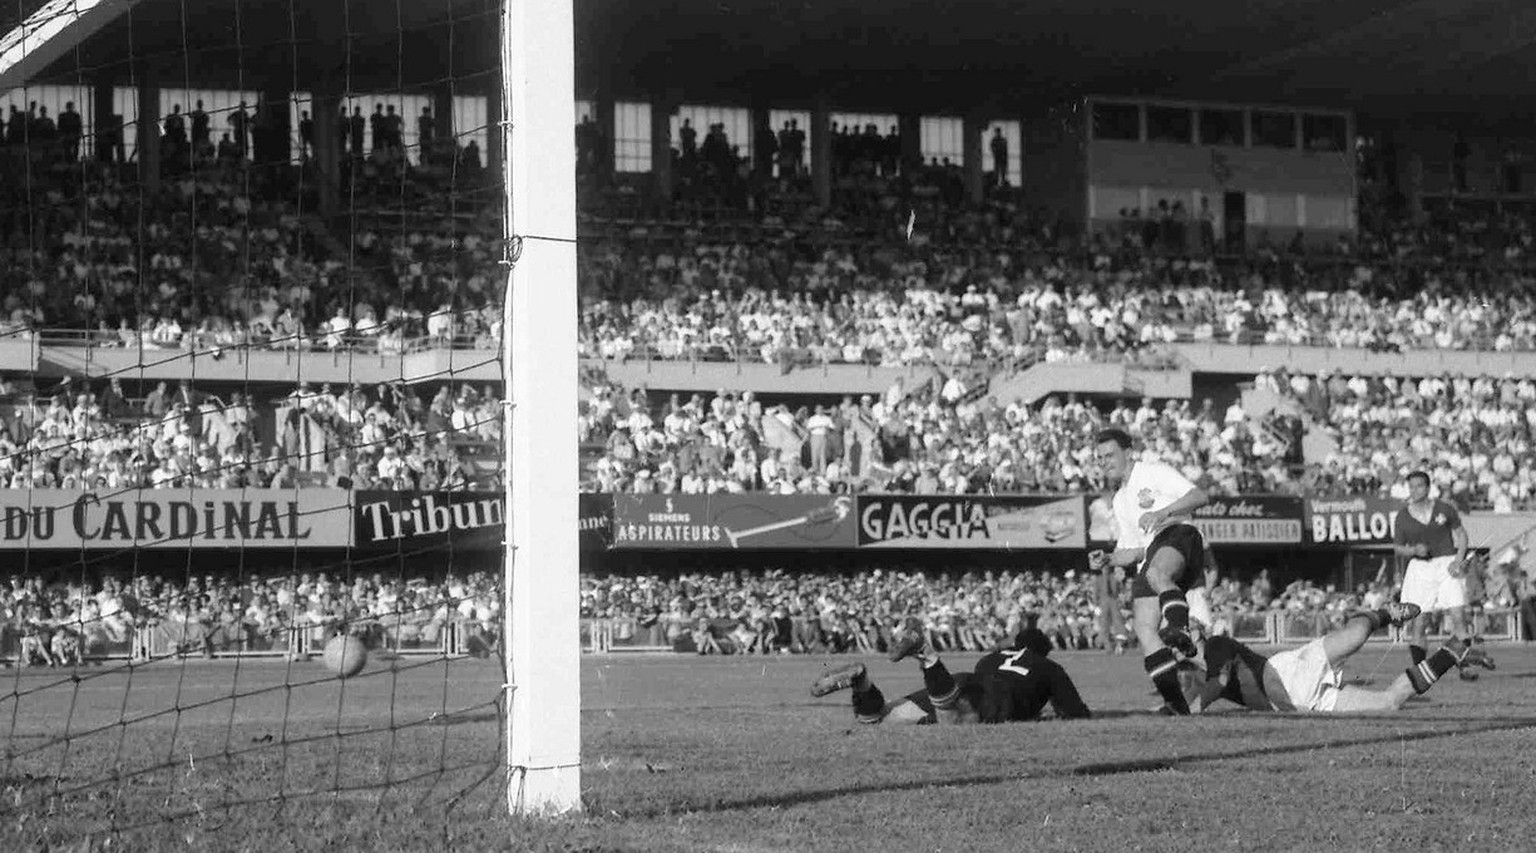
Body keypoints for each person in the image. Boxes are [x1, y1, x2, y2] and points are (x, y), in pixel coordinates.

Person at [1176, 602, 1493, 714]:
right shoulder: (1190, 671)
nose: (1183, 636)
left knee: (1356, 636)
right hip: (1300, 704)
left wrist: (1188, 709)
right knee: (1389, 703)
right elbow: (1189, 695)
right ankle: (1451, 651)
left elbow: (1215, 685)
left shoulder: (1216, 645)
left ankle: (1383, 612)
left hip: (1286, 674)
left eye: (1185, 629)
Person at [1088, 427, 1210, 715]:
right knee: (1143, 629)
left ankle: (1179, 629)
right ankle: (1177, 705)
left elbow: (1199, 496)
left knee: (1157, 575)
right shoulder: (1119, 500)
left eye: (1109, 455)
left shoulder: (1153, 471)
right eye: (1100, 458)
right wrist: (1107, 559)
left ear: (1128, 453)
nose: (1104, 462)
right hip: (1152, 552)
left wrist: (1163, 512)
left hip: (1178, 533)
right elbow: (1134, 550)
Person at [810, 627, 1091, 725]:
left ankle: (862, 681)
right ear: (1044, 652)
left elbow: (978, 681)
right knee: (956, 717)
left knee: (877, 720)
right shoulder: (1049, 668)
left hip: (959, 680)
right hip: (993, 697)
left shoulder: (991, 657)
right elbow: (1077, 713)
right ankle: (928, 656)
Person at [1392, 471, 1473, 676]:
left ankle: (1464, 664)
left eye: (1419, 486)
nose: (1414, 490)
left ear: (1428, 488)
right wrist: (1413, 550)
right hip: (1420, 568)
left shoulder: (1444, 508)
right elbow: (1398, 548)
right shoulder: (1403, 516)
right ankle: (1420, 669)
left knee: (1458, 616)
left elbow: (1461, 535)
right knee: (1420, 622)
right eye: (1411, 487)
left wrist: (1458, 559)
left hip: (1446, 563)